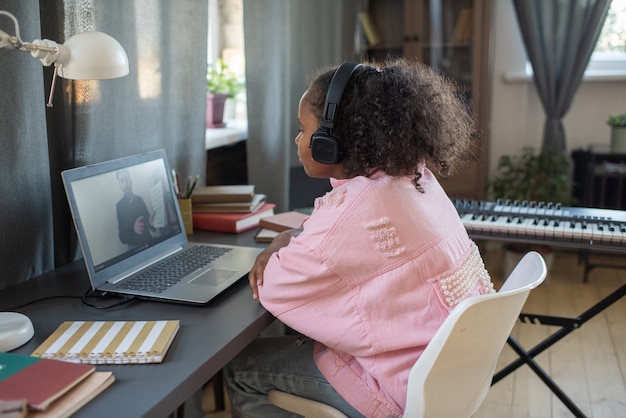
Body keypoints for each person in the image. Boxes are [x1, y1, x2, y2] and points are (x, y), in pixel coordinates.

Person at [223, 58, 495, 418]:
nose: (298, 139)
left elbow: (275, 288)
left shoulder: (356, 210)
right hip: (444, 376)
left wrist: (279, 243)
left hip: (395, 389)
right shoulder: (417, 179)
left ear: (329, 143)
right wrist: (296, 236)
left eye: (304, 130)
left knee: (242, 368)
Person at [115, 169, 155, 248]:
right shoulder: (119, 206)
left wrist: (151, 223)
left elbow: (149, 224)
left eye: (126, 179)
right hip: (135, 248)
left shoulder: (140, 199)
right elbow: (122, 237)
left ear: (131, 181)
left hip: (149, 241)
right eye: (122, 181)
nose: (125, 183)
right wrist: (134, 229)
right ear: (119, 185)